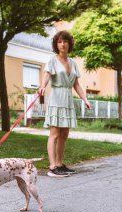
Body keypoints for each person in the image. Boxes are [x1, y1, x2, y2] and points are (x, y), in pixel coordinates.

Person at [39, 30, 91, 178]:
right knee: (54, 133)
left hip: (68, 99)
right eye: (60, 42)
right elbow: (47, 74)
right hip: (56, 97)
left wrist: (85, 99)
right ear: (57, 45)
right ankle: (52, 166)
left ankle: (60, 164)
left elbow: (76, 84)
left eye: (65, 41)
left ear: (69, 43)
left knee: (64, 134)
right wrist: (42, 86)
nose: (63, 44)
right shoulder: (52, 60)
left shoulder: (73, 63)